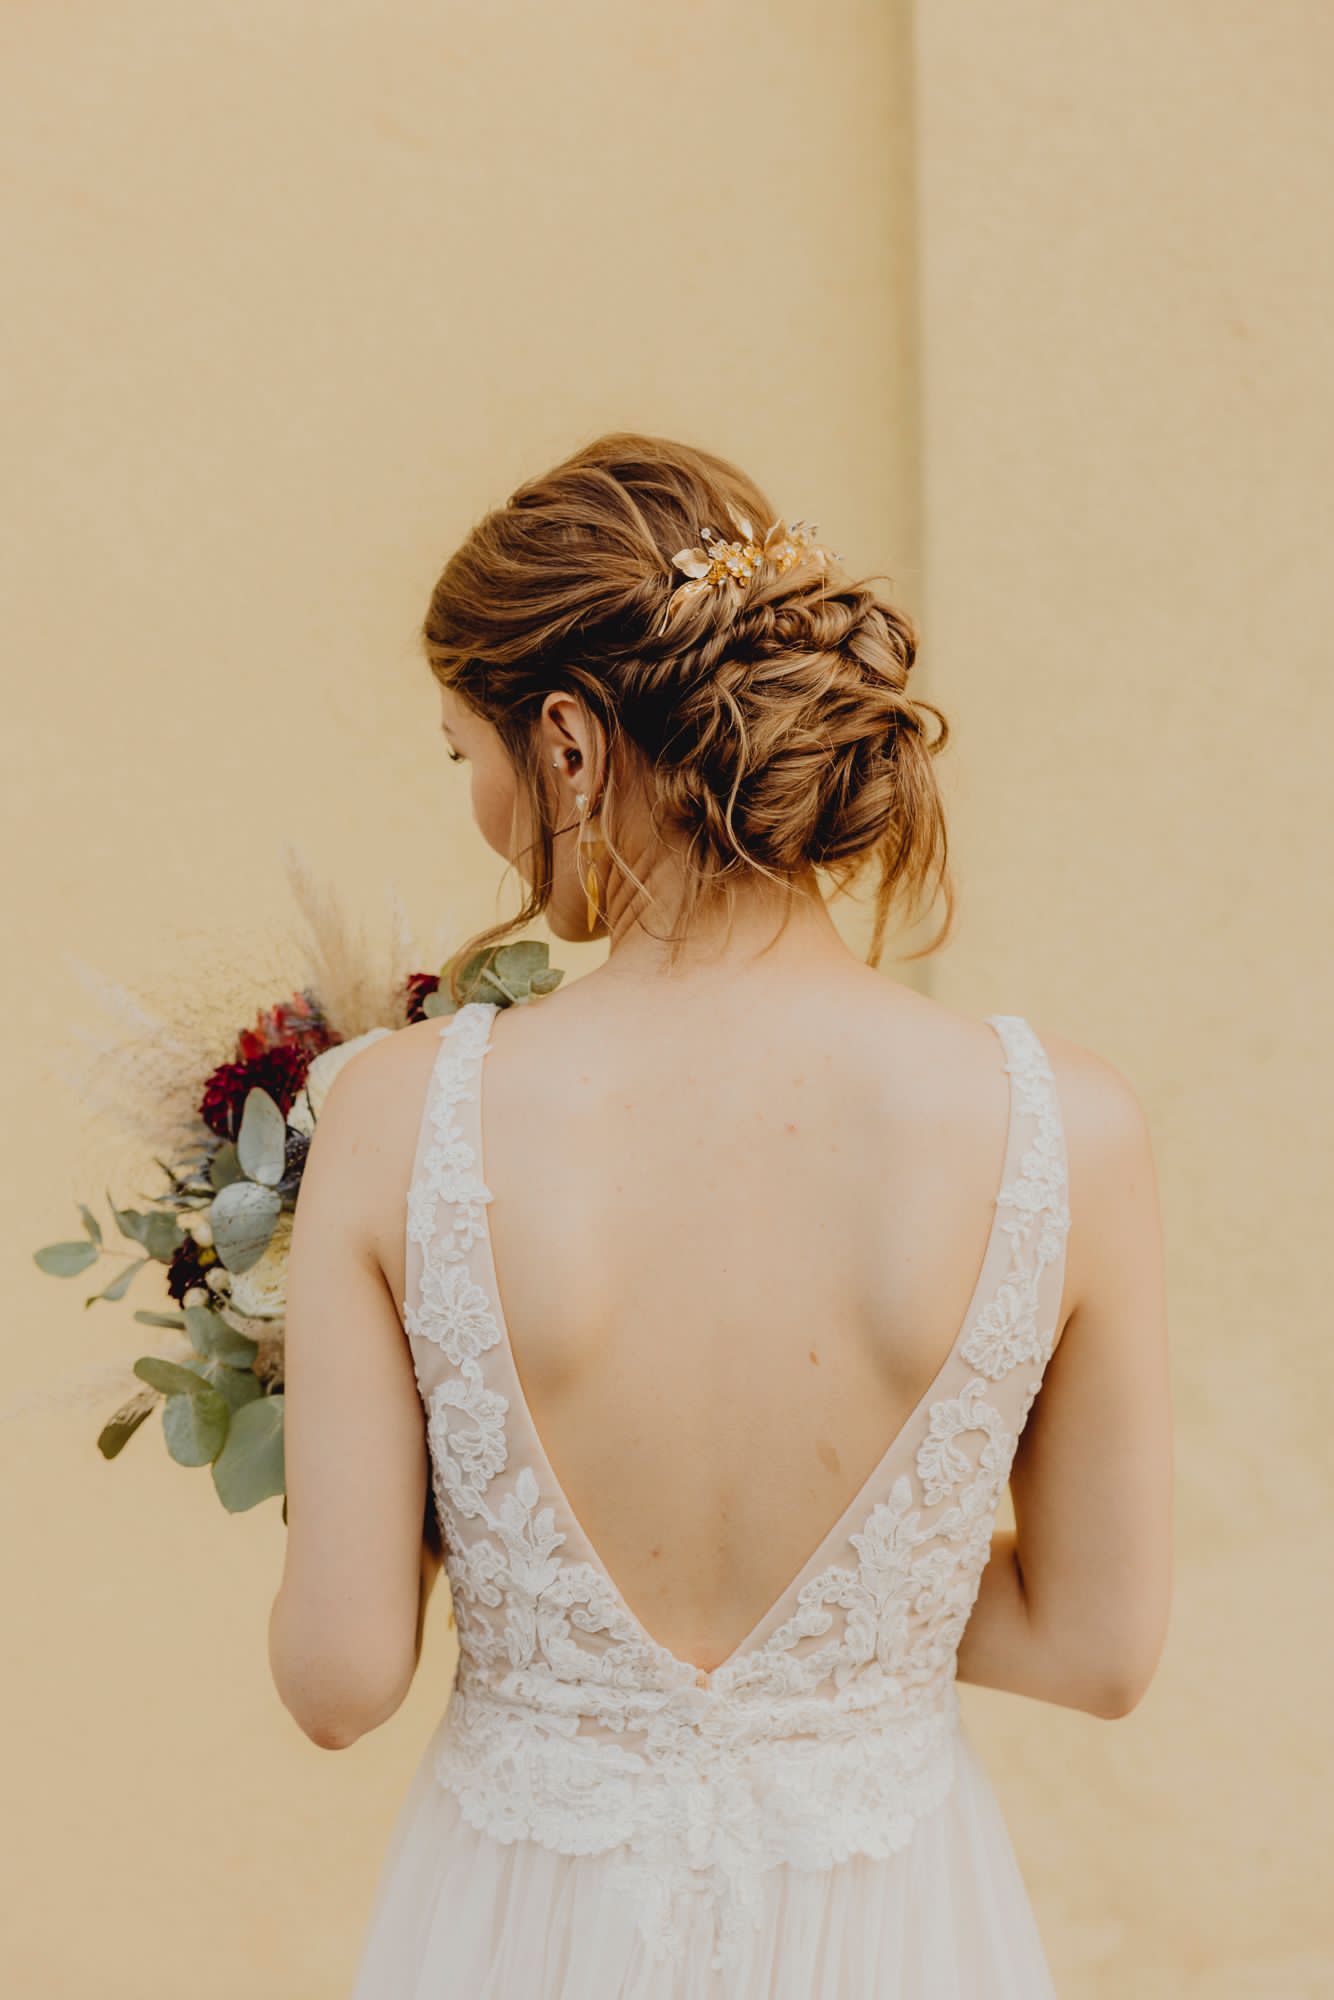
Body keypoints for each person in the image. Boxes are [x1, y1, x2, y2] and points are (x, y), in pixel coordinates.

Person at [269, 431, 1173, 1997]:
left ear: (565, 742)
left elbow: (342, 1679)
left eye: (460, 754)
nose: (474, 803)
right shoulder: (1064, 1130)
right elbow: (1096, 1648)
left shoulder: (397, 1118)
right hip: (892, 1925)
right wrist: (846, 1640)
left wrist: (455, 1518)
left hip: (519, 1926)